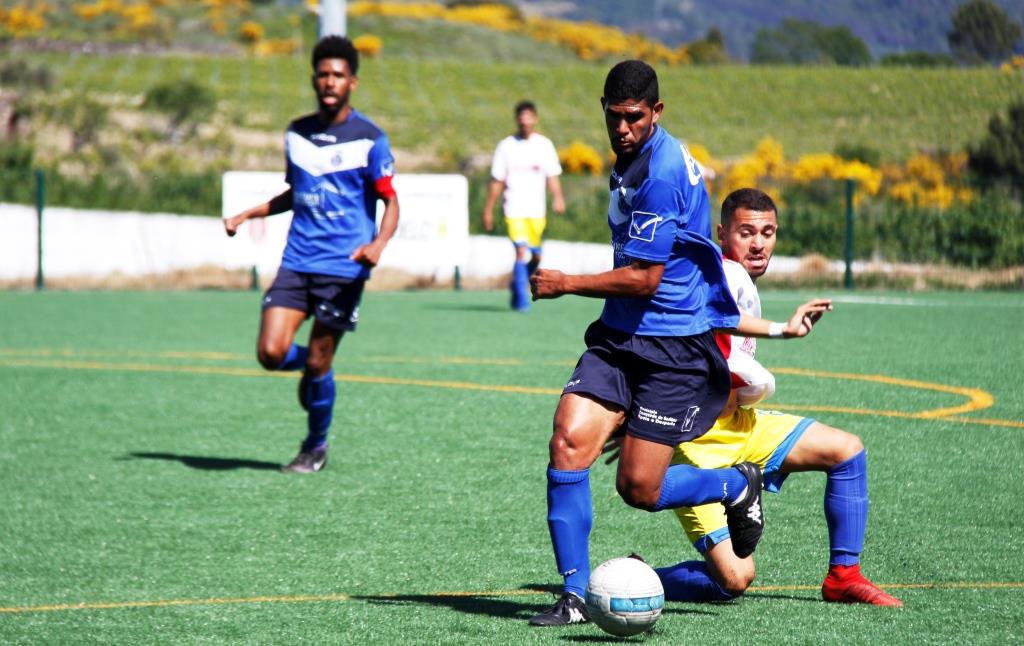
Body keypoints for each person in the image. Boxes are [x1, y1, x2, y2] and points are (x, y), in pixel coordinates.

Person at [526, 60, 832, 626]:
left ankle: (735, 485)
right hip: (620, 336)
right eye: (614, 117)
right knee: (568, 442)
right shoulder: (633, 158)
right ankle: (572, 596)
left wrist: (564, 282)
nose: (622, 128)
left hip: (672, 350)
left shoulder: (664, 170)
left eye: (634, 118)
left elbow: (645, 277)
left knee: (639, 488)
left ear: (656, 113)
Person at [650, 188, 902, 607]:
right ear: (721, 232)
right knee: (734, 579)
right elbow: (672, 336)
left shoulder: (738, 279)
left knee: (846, 451)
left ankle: (844, 576)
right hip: (698, 446)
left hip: (744, 426)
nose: (758, 243)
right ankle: (637, 578)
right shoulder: (721, 276)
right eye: (746, 231)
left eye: (767, 232)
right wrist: (644, 416)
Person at [223, 35, 399, 474]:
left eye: (338, 75)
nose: (329, 82)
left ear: (352, 82)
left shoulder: (370, 138)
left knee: (321, 357)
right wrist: (250, 212)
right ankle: (314, 371)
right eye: (323, 74)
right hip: (297, 261)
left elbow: (391, 202)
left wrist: (377, 245)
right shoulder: (296, 133)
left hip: (344, 268)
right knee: (269, 352)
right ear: (314, 80)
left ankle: (314, 447)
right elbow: (295, 193)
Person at [481, 100, 565, 311]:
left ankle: (517, 283)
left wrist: (558, 197)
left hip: (536, 211)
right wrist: (488, 209)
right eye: (521, 117)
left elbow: (552, 176)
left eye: (529, 116)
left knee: (536, 255)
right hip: (513, 210)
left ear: (535, 119)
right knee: (521, 252)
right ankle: (521, 301)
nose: (525, 121)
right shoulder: (506, 146)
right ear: (517, 119)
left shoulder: (544, 145)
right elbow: (497, 181)